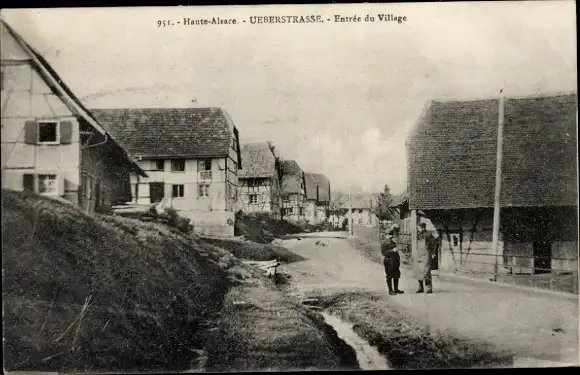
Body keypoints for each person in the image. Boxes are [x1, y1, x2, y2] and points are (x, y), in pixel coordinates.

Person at [413, 223, 438, 294]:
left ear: (423, 228)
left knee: (426, 271)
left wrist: (433, 253)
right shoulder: (418, 235)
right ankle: (421, 288)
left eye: (419, 228)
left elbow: (435, 243)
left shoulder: (428, 234)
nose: (418, 229)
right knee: (419, 271)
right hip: (419, 255)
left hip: (426, 255)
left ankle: (429, 288)